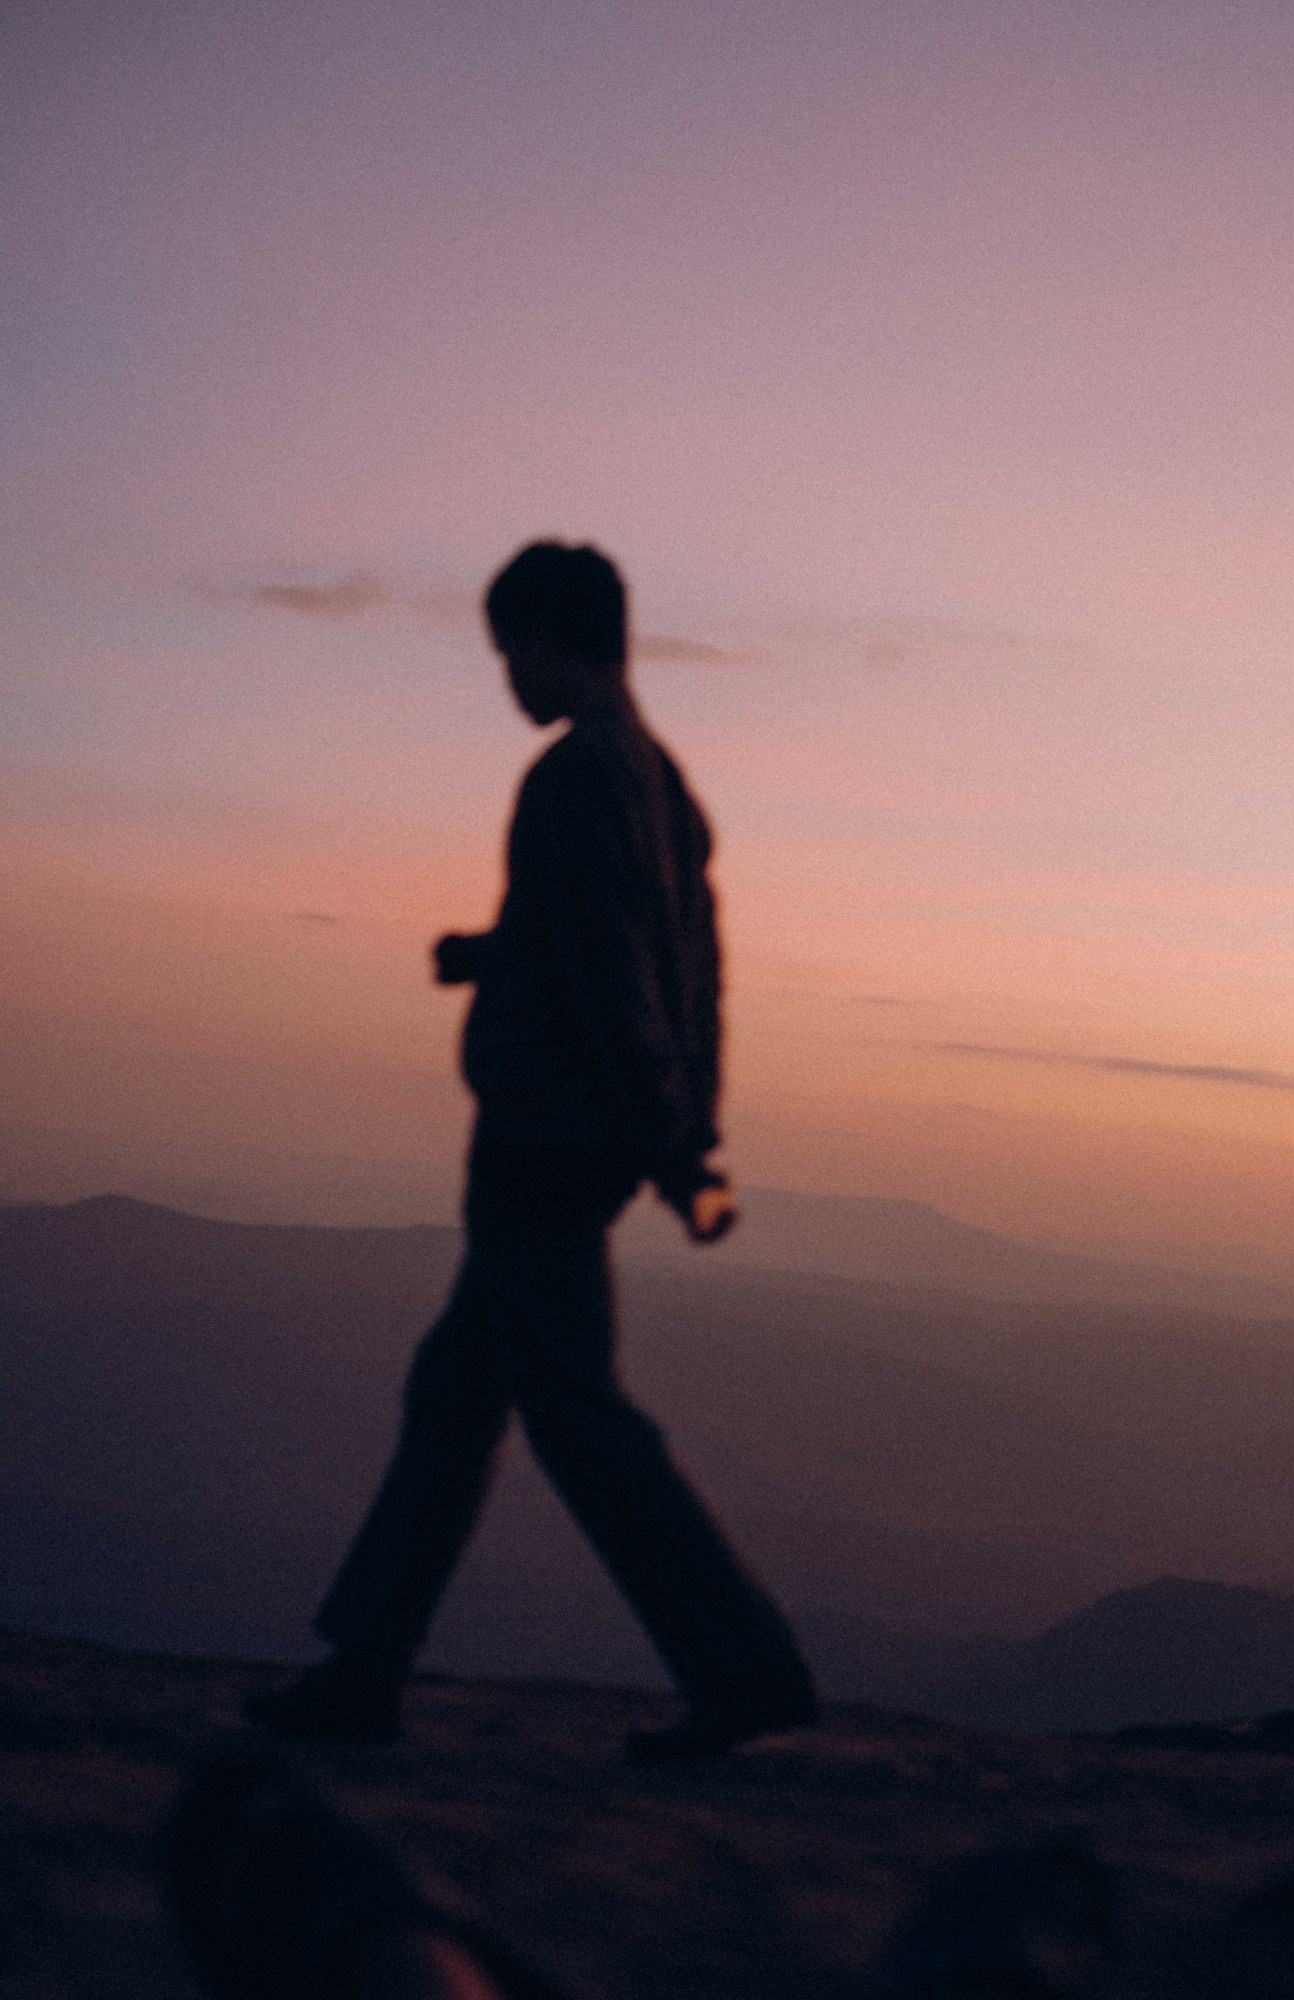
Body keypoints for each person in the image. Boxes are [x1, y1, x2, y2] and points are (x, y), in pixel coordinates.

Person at [247, 542, 817, 1758]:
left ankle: (745, 1667)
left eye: (515, 648)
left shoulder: (569, 779)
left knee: (573, 1412)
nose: (509, 676)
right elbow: (678, 974)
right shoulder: (659, 783)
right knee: (456, 1392)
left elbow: (617, 976)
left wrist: (671, 1143)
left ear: (560, 635)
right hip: (588, 1133)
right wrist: (678, 1122)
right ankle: (365, 1672)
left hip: (546, 1141)